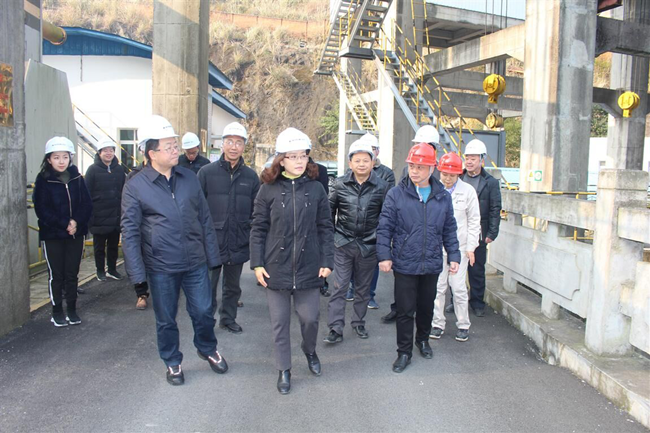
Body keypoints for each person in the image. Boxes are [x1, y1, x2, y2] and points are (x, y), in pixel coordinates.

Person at [121, 115, 228, 386]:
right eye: (168, 146)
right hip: (161, 266)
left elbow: (204, 218)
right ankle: (172, 361)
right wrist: (137, 275)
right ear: (151, 153)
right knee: (166, 319)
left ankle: (207, 348)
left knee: (203, 310)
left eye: (175, 145)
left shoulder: (189, 178)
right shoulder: (136, 186)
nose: (175, 150)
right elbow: (130, 232)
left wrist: (212, 256)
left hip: (195, 261)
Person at [250, 127, 334, 395]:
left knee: (310, 319)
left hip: (309, 266)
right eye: (293, 156)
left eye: (303, 155)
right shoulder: (267, 190)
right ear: (281, 159)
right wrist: (257, 264)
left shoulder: (316, 189)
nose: (300, 161)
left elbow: (325, 227)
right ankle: (284, 369)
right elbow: (258, 229)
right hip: (276, 267)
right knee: (280, 323)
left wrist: (327, 260)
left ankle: (309, 350)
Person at [376, 142, 460, 373]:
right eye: (412, 166)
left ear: (432, 169)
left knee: (426, 306)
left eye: (420, 167)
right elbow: (385, 227)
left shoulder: (442, 197)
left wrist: (454, 255)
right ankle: (403, 352)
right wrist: (384, 255)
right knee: (405, 310)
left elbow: (449, 229)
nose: (414, 171)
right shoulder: (396, 194)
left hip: (431, 261)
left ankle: (422, 340)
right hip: (405, 261)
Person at [198, 122, 260, 334]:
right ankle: (206, 322)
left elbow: (257, 211)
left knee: (233, 286)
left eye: (239, 142)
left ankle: (228, 319)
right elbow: (196, 208)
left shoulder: (251, 177)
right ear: (222, 144)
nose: (234, 147)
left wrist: (250, 233)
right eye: (230, 142)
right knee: (208, 286)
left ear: (244, 146)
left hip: (238, 240)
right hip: (212, 241)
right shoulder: (206, 173)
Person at [324, 139, 388, 344]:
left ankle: (358, 322)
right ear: (350, 163)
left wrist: (382, 244)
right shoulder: (339, 184)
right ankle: (335, 328)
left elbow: (386, 218)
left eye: (366, 160)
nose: (361, 164)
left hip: (369, 245)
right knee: (340, 286)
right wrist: (332, 240)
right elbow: (328, 214)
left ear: (373, 162)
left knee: (363, 288)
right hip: (343, 243)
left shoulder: (382, 187)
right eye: (357, 160)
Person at [381, 125, 439, 323]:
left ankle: (425, 323)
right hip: (408, 236)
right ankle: (399, 309)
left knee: (427, 294)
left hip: (430, 238)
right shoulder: (408, 171)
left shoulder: (439, 172)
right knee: (403, 285)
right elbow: (401, 196)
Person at [33, 136, 92, 327]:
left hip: (76, 233)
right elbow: (42, 209)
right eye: (56, 157)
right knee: (56, 275)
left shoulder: (77, 178)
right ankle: (57, 311)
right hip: (53, 235)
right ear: (49, 159)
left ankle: (72, 310)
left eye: (65, 157)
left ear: (70, 158)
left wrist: (76, 222)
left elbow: (86, 204)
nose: (61, 161)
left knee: (72, 274)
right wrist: (64, 223)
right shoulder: (43, 180)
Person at [429, 152, 480, 342]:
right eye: (444, 174)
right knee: (437, 287)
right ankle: (437, 323)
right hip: (436, 247)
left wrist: (471, 247)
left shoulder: (468, 191)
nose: (448, 178)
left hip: (459, 248)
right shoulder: (433, 189)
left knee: (458, 287)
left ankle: (463, 325)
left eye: (452, 175)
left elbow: (474, 220)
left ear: (459, 174)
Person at [345, 132, 395, 309]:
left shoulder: (386, 174)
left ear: (377, 152)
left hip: (374, 227)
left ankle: (369, 294)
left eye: (373, 149)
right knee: (352, 261)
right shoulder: (350, 172)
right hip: (352, 226)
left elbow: (388, 201)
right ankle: (353, 288)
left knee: (372, 264)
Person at [460, 139, 502, 317]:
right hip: (459, 230)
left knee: (476, 269)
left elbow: (495, 208)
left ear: (481, 160)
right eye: (467, 158)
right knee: (456, 267)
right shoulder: (458, 177)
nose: (469, 162)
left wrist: (492, 232)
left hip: (479, 232)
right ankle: (456, 300)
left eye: (473, 158)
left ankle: (477, 303)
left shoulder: (490, 182)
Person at [85, 138, 126, 282]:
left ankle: (112, 269)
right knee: (99, 247)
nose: (109, 153)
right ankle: (100, 271)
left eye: (111, 150)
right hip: (99, 215)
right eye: (105, 151)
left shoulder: (119, 169)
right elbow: (86, 193)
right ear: (99, 153)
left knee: (113, 245)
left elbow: (123, 190)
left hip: (115, 215)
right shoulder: (92, 170)